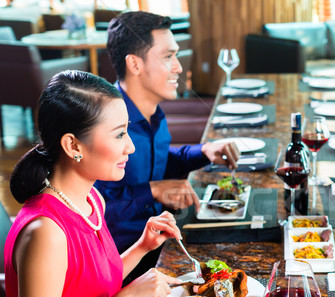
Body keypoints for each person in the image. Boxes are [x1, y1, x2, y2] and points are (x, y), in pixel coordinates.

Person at [4, 70, 184, 297]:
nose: (130, 146)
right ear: (73, 145)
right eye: (118, 135)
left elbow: (88, 283)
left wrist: (142, 247)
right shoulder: (46, 233)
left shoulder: (90, 199)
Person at [94, 11, 240, 275]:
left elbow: (156, 159)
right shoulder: (103, 123)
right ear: (135, 65)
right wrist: (152, 191)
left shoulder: (153, 113)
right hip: (122, 266)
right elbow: (94, 212)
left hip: (161, 243)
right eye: (169, 56)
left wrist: (204, 152)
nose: (179, 67)